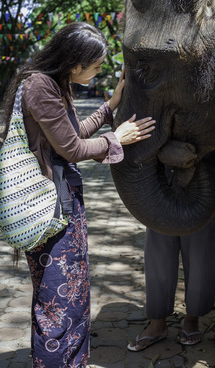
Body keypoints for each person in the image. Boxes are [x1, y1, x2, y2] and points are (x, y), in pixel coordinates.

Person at [1, 22, 155, 367]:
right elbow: (71, 148)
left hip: (63, 205)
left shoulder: (53, 84)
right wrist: (119, 139)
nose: (100, 71)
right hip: (48, 210)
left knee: (70, 295)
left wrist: (110, 107)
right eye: (97, 66)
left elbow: (70, 133)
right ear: (75, 64)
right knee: (57, 300)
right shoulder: (40, 87)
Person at [128, 148, 215, 350]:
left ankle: (192, 319)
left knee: (201, 254)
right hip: (161, 180)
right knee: (158, 253)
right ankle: (157, 323)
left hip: (204, 177)